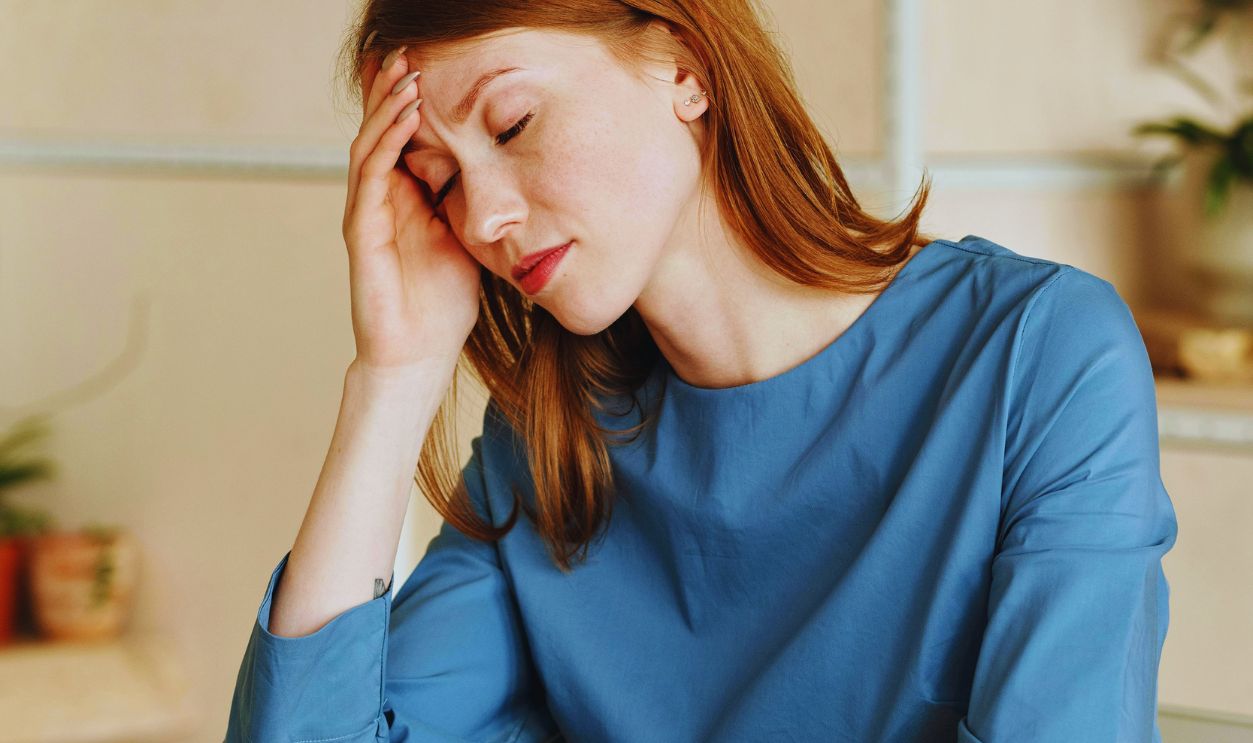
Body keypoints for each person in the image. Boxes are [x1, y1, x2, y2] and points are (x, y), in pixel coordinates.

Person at [224, 2, 1178, 741]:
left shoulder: (1035, 355)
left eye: (511, 125)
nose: (480, 221)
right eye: (440, 180)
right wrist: (394, 375)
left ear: (683, 66)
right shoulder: (544, 443)